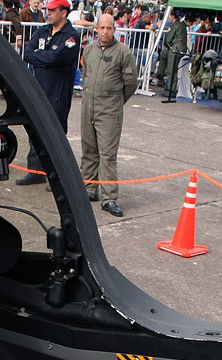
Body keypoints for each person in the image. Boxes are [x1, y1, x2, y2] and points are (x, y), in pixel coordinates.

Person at [15, 0, 81, 186]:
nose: (49, 13)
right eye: (48, 10)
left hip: (58, 92)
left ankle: (58, 176)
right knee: (35, 130)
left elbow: (57, 57)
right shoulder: (43, 31)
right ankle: (36, 171)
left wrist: (41, 58)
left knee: (55, 133)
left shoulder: (71, 36)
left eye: (52, 10)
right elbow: (27, 53)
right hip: (39, 88)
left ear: (64, 12)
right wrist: (46, 59)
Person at [79, 11, 135, 217]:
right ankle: (89, 189)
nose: (105, 32)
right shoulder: (90, 50)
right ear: (96, 29)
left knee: (108, 156)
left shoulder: (123, 52)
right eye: (101, 28)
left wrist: (115, 103)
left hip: (109, 111)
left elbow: (130, 84)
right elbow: (86, 76)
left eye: (109, 28)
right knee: (88, 151)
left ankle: (109, 197)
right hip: (88, 107)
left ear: (114, 29)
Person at [159, 7, 188, 103]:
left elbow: (168, 39)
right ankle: (161, 74)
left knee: (172, 70)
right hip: (181, 49)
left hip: (175, 49)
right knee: (171, 66)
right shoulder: (183, 25)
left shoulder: (174, 25)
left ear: (172, 16)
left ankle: (170, 89)